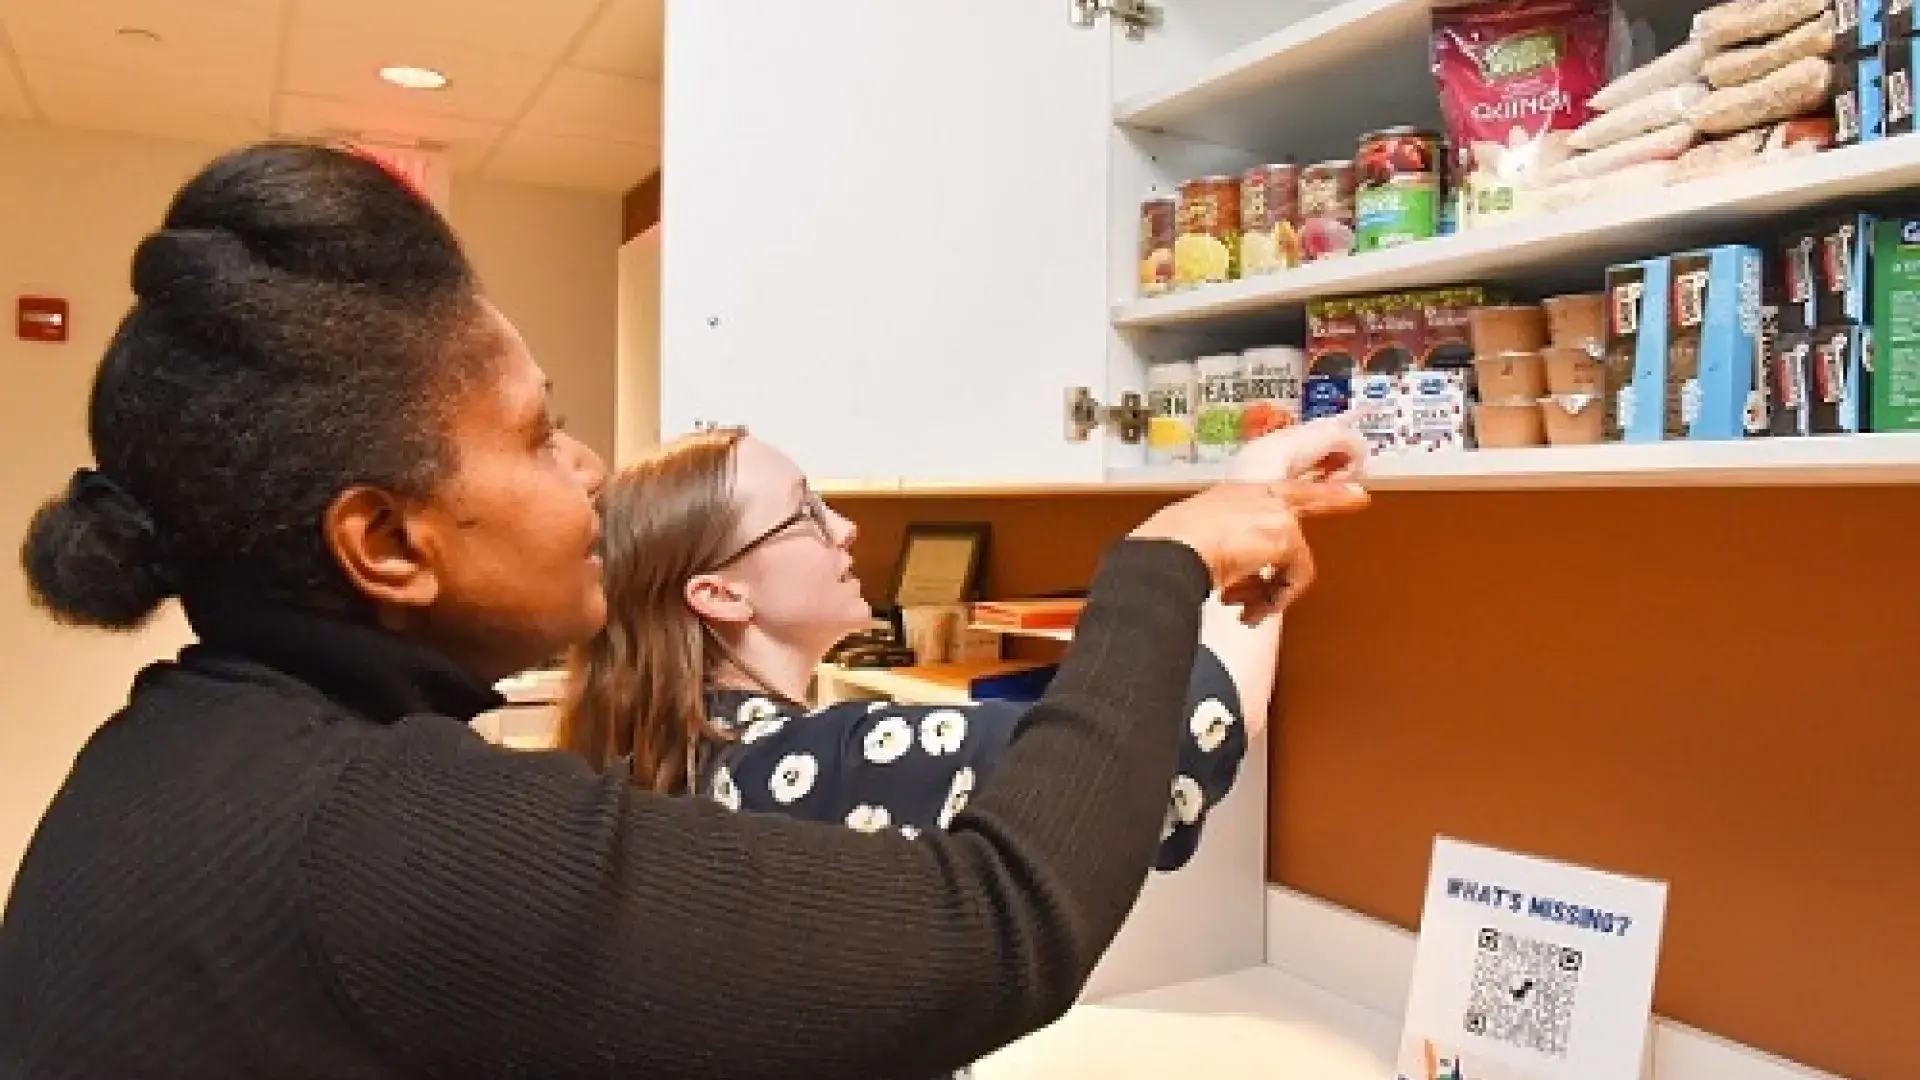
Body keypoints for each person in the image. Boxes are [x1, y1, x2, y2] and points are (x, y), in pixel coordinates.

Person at [0, 141, 1369, 1080]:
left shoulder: (171, 755)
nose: (587, 468)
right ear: (385, 542)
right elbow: (1008, 922)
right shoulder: (378, 834)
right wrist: (1163, 559)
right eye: (540, 438)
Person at [558, 423, 1362, 879]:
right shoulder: (814, 764)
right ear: (720, 595)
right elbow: (1154, 759)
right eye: (804, 513)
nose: (845, 528)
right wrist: (1246, 499)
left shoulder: (676, 752)